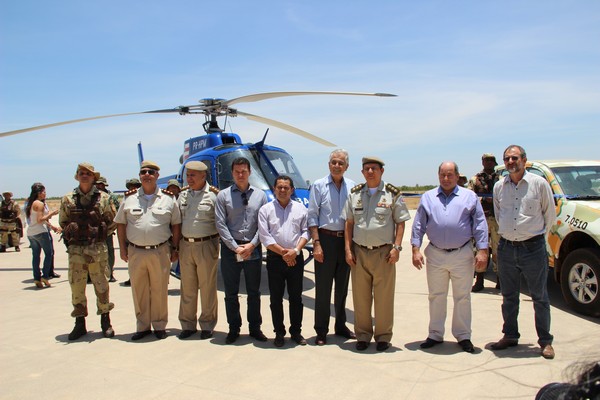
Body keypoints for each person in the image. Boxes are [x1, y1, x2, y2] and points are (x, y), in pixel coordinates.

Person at [411, 161, 489, 353]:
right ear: (438, 176)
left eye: (450, 175)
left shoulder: (469, 197)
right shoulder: (428, 197)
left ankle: (463, 336)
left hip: (462, 254)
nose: (446, 178)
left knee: (462, 297)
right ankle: (435, 334)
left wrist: (482, 250)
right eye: (442, 175)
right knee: (436, 296)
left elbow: (480, 224)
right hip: (436, 254)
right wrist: (415, 249)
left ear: (457, 176)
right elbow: (419, 224)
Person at [491, 145, 557, 359]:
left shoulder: (539, 184)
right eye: (507, 159)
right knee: (509, 296)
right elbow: (499, 214)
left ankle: (545, 341)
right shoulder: (499, 187)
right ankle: (510, 335)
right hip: (507, 248)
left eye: (515, 158)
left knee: (539, 297)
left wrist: (536, 238)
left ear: (524, 160)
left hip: (533, 248)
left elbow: (549, 215)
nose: (510, 162)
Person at [344, 156, 411, 352]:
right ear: (362, 172)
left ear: (382, 171)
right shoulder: (355, 194)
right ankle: (363, 335)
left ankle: (383, 336)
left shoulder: (392, 194)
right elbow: (349, 223)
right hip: (359, 252)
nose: (370, 172)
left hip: (384, 253)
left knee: (384, 298)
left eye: (374, 168)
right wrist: (348, 249)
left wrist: (397, 248)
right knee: (360, 298)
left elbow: (400, 222)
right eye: (366, 169)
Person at [115, 160, 181, 340]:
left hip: (160, 251)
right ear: (139, 176)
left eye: (151, 172)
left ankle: (159, 325)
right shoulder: (129, 198)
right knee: (139, 290)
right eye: (143, 172)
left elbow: (176, 225)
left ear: (157, 176)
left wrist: (175, 248)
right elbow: (120, 224)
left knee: (160, 289)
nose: (147, 175)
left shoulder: (168, 199)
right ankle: (142, 326)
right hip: (136, 251)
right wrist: (122, 248)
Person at [59, 163, 117, 340]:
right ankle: (79, 323)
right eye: (81, 173)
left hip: (97, 250)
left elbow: (112, 221)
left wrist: (98, 234)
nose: (84, 175)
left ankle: (105, 321)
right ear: (77, 176)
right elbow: (63, 222)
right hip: (76, 250)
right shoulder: (68, 199)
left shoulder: (104, 198)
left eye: (88, 173)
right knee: (77, 286)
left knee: (102, 285)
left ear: (93, 177)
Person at [215, 157, 268, 344]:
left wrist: (252, 245)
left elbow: (264, 224)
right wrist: (235, 247)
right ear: (232, 173)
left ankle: (255, 328)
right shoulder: (223, 196)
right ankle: (233, 328)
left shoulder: (260, 195)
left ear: (249, 172)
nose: (240, 175)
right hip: (231, 249)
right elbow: (220, 224)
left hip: (253, 247)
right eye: (237, 172)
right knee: (231, 292)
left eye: (243, 171)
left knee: (254, 292)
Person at [308, 149, 356, 345]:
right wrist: (316, 244)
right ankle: (321, 330)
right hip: (325, 241)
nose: (337, 165)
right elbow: (312, 215)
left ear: (347, 166)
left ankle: (341, 325)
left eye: (341, 163)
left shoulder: (352, 186)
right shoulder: (318, 186)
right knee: (323, 288)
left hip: (345, 241)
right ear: (329, 164)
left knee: (342, 288)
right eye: (334, 162)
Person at [258, 175, 309, 348]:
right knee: (276, 299)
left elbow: (306, 232)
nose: (282, 190)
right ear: (274, 189)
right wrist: (284, 253)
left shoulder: (301, 209)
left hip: (296, 257)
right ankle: (279, 333)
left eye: (286, 187)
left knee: (296, 298)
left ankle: (296, 332)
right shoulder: (265, 210)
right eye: (279, 187)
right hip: (275, 259)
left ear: (291, 190)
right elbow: (265, 236)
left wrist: (295, 251)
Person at [175, 161, 220, 340]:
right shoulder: (183, 195)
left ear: (203, 176)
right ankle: (188, 325)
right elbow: (176, 222)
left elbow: (221, 223)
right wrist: (175, 246)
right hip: (186, 246)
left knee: (207, 287)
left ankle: (207, 325)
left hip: (206, 245)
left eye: (193, 175)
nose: (189, 178)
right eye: (188, 175)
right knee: (187, 287)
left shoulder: (214, 196)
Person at [468, 153, 501, 292]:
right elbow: (469, 198)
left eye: (491, 160)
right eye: (486, 160)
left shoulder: (501, 179)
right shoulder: (475, 179)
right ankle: (480, 280)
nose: (488, 162)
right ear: (482, 162)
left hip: (497, 220)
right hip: (481, 220)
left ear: (494, 163)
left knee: (499, 251)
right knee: (480, 250)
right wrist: (483, 200)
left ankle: (500, 280)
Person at [25, 183, 60, 288]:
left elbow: (37, 220)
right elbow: (40, 220)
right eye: (44, 192)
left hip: (31, 232)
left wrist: (52, 226)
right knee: (49, 254)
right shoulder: (39, 204)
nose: (45, 194)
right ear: (39, 193)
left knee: (36, 256)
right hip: (40, 232)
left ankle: (37, 278)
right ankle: (45, 276)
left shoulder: (30, 203)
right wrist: (51, 214)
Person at [95, 175, 120, 282]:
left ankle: (110, 272)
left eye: (101, 184)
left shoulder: (111, 197)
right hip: (93, 229)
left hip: (107, 229)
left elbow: (117, 212)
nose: (99, 186)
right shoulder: (91, 196)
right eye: (97, 184)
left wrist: (111, 227)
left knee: (109, 251)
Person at [121, 178, 141, 287]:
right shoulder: (127, 199)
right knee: (132, 261)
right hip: (130, 236)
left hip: (142, 237)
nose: (133, 189)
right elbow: (121, 221)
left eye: (136, 186)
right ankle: (132, 278)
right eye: (131, 187)